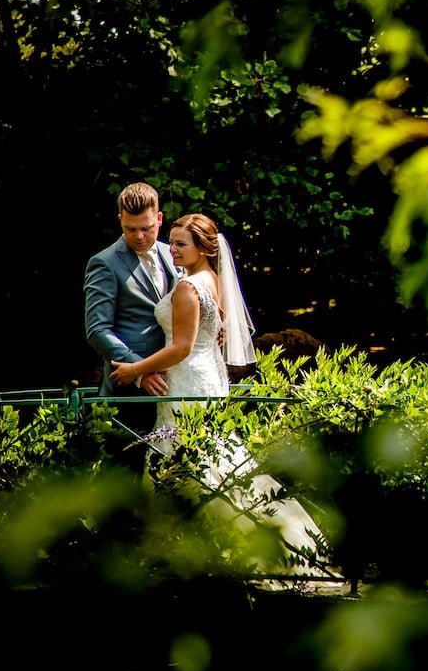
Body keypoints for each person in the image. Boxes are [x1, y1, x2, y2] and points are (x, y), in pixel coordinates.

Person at [108, 213, 342, 592]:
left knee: (189, 464)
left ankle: (202, 556)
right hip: (206, 376)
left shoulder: (187, 288)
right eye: (173, 242)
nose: (174, 249)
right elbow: (207, 335)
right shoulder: (211, 281)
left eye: (182, 244)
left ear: (203, 248)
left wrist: (134, 369)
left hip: (189, 379)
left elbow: (181, 347)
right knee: (215, 462)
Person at [84, 182, 179, 432]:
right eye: (130, 229)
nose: (139, 236)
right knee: (128, 467)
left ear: (159, 218)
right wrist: (140, 371)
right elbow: (97, 330)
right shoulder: (103, 263)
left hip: (177, 380)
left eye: (146, 228)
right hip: (129, 388)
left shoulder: (174, 254)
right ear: (120, 220)